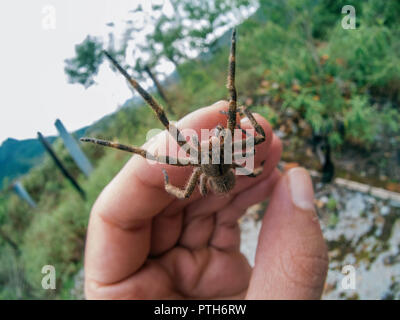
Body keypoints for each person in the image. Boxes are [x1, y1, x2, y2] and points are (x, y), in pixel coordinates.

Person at [84, 101, 328, 299]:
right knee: (242, 126)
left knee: (158, 144)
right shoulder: (227, 152)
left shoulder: (201, 160)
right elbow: (258, 141)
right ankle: (99, 140)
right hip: (222, 173)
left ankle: (100, 141)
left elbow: (181, 191)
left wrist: (169, 183)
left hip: (221, 174)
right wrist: (243, 113)